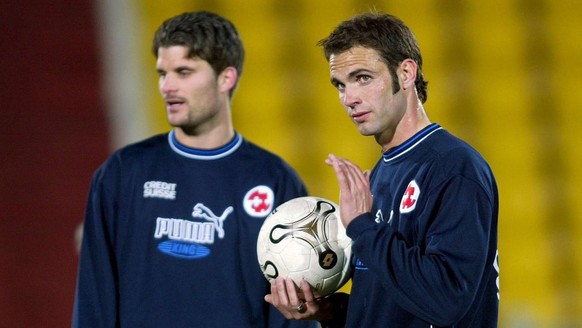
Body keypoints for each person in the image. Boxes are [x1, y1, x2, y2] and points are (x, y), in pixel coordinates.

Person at [72, 11, 318, 328]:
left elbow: (292, 313)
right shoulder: (122, 173)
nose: (167, 87)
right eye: (163, 73)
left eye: (184, 72)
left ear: (225, 78)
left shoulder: (275, 180)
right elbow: (94, 300)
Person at [265, 12, 499, 327]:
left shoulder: (454, 168)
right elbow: (390, 306)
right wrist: (329, 312)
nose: (349, 98)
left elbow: (447, 301)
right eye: (340, 85)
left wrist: (363, 227)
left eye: (363, 78)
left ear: (405, 73)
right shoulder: (379, 174)